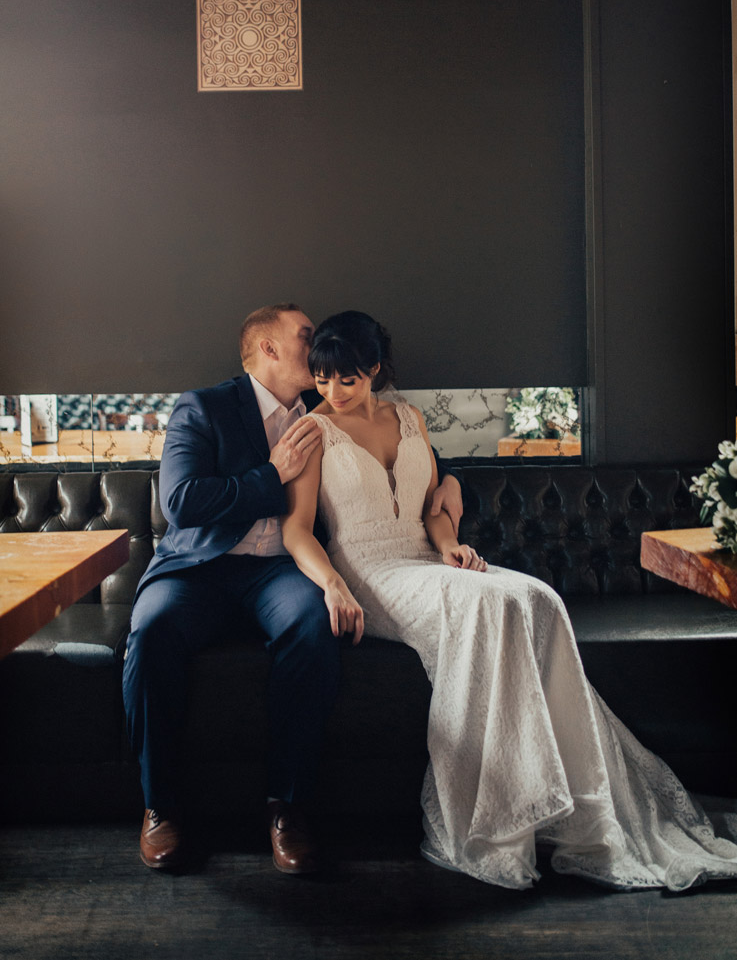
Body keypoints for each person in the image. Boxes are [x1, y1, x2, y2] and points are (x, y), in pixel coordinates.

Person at [280, 310, 737, 891]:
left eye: (346, 378)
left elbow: (431, 508)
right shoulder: (313, 432)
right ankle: (496, 820)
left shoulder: (411, 417)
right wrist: (333, 586)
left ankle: (570, 806)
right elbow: (297, 529)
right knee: (488, 607)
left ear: (374, 369)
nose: (332, 392)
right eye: (322, 379)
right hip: (370, 572)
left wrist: (450, 546)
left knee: (537, 597)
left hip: (427, 559)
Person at [122, 303, 462, 873]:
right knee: (151, 631)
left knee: (311, 626)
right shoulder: (202, 407)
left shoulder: (328, 403)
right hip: (199, 568)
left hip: (281, 570)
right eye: (306, 336)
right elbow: (180, 504)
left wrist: (454, 481)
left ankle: (289, 806)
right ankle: (161, 805)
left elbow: (412, 457)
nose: (320, 345)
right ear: (270, 350)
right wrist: (271, 474)